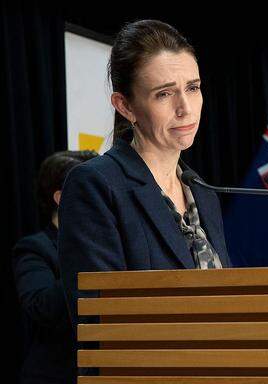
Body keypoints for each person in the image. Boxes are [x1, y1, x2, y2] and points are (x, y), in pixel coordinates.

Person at [58, 20, 232, 334]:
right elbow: (101, 321)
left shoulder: (203, 192)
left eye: (192, 88)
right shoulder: (96, 186)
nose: (186, 109)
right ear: (125, 106)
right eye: (164, 94)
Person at [13, 150, 97, 384]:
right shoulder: (34, 248)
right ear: (60, 198)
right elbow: (42, 306)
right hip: (56, 375)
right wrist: (85, 257)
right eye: (91, 188)